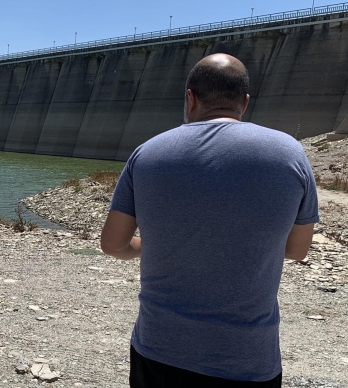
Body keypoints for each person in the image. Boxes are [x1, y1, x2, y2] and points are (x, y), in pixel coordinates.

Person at [100, 53, 319, 387]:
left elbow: (113, 244)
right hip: (248, 360)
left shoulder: (147, 153)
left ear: (190, 98)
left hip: (159, 351)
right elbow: (297, 250)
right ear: (244, 102)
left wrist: (149, 245)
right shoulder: (290, 153)